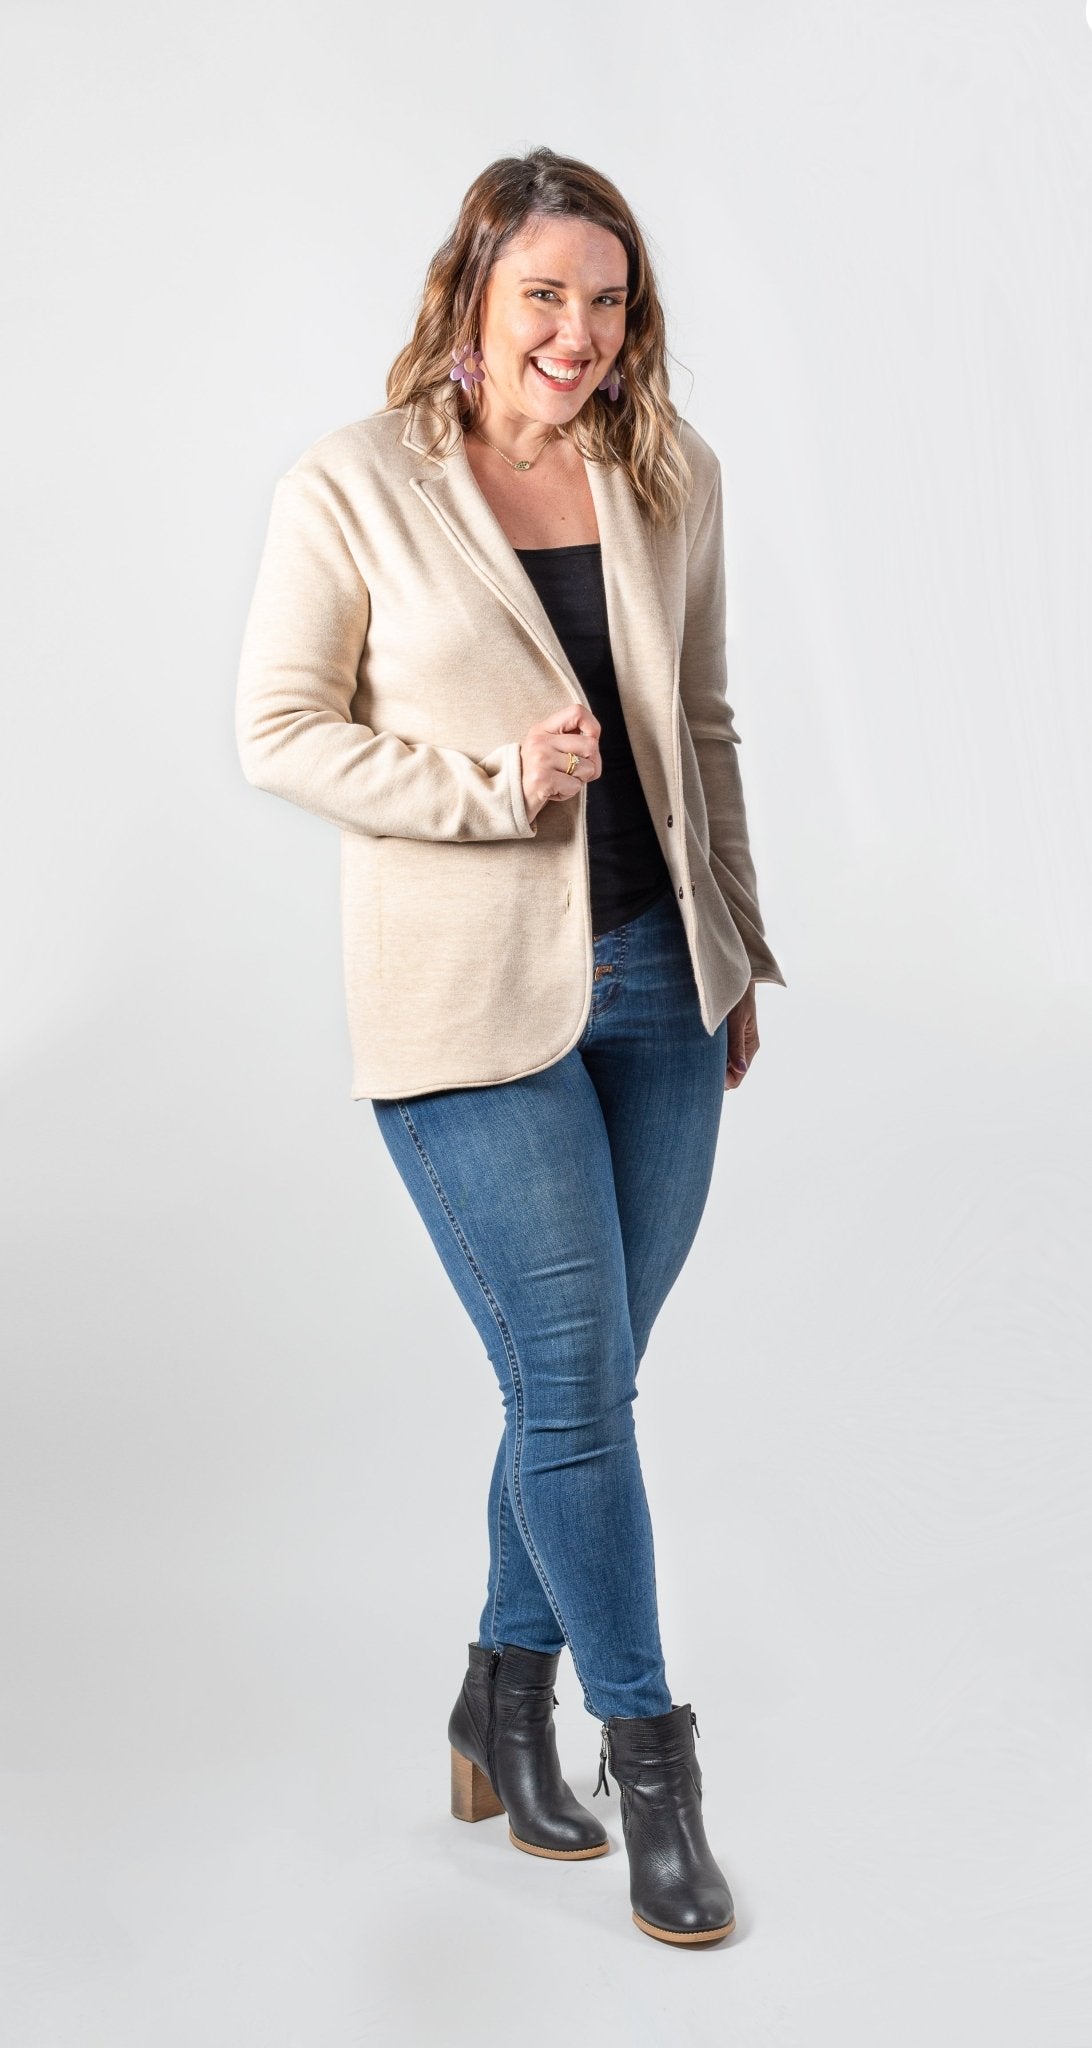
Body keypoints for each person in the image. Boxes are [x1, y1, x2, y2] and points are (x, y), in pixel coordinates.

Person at [235, 145, 786, 1948]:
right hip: (465, 1005)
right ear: (471, 296)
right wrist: (493, 784)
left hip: (661, 988)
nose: (578, 332)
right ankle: (655, 1772)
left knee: (583, 1385)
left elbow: (704, 723)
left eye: (608, 301)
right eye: (545, 293)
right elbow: (279, 729)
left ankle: (496, 1694)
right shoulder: (353, 484)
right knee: (573, 1381)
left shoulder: (668, 471)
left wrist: (736, 950)